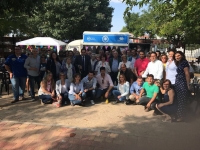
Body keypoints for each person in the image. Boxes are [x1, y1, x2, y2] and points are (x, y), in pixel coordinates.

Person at [174, 51, 190, 122]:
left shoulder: (184, 63)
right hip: (178, 82)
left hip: (182, 83)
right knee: (178, 99)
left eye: (178, 55)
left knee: (182, 100)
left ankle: (181, 117)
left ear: (182, 55)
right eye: (176, 56)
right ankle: (179, 115)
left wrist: (188, 84)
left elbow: (187, 74)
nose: (177, 57)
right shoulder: (179, 63)